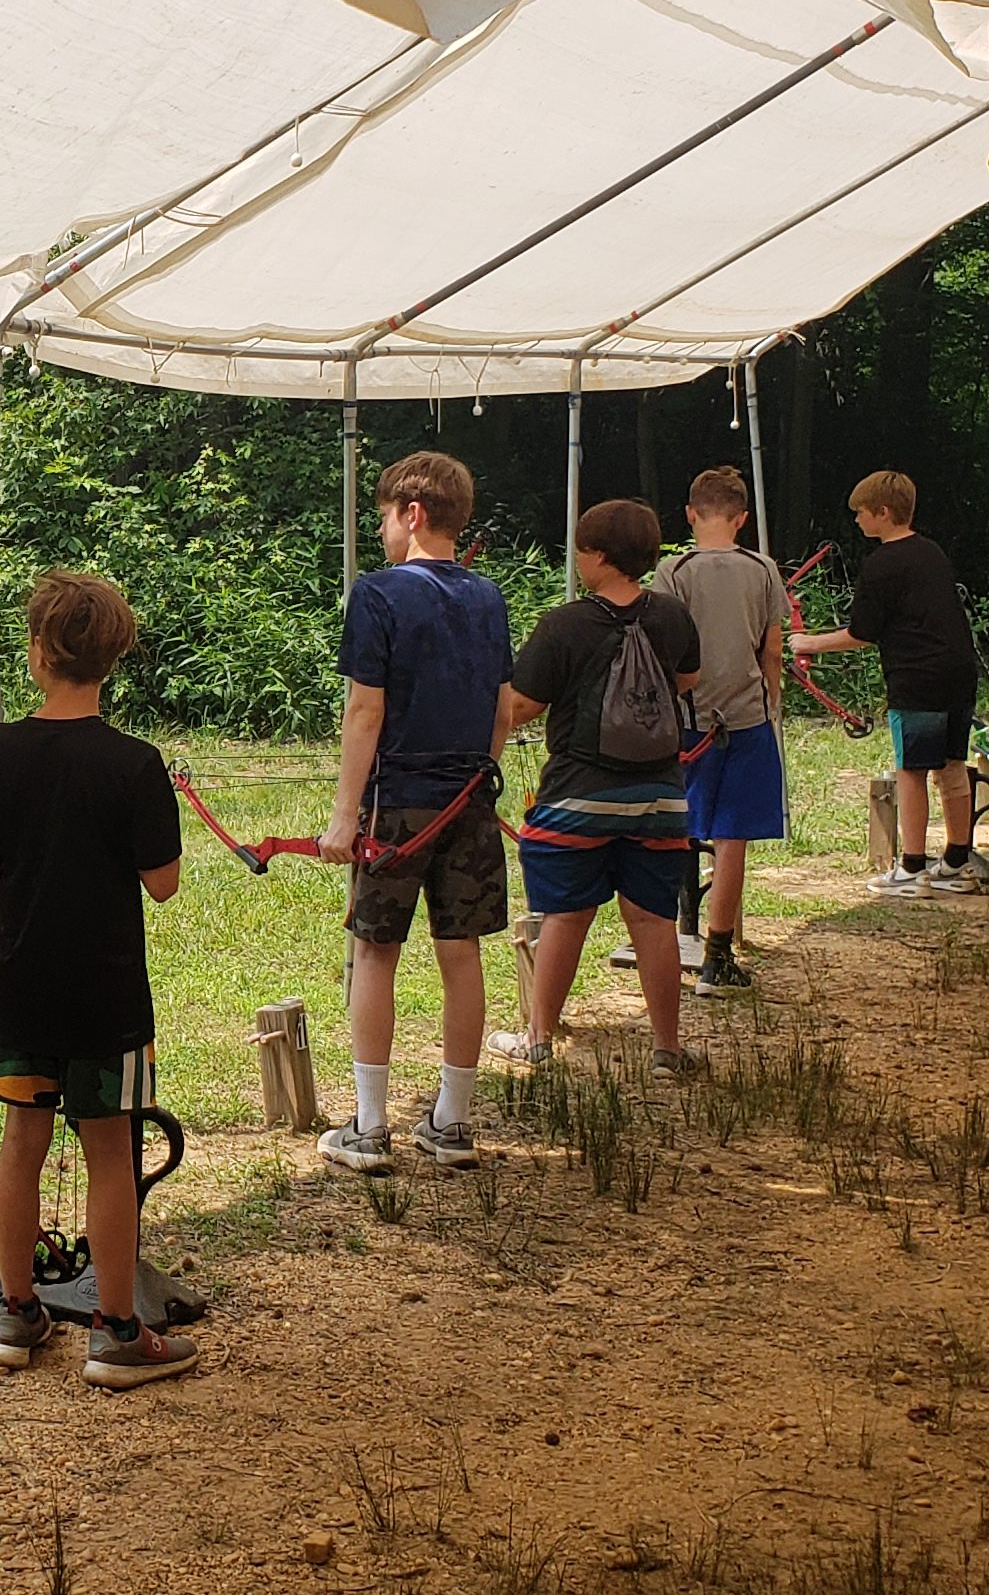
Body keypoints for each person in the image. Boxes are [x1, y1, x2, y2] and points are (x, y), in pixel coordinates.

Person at [0, 569, 198, 1389]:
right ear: (113, 659)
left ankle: (16, 1311)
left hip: (19, 987)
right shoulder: (136, 764)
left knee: (22, 1142)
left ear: (37, 654)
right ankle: (116, 1332)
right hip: (108, 997)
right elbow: (164, 883)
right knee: (110, 1152)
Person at [314, 451, 512, 1172]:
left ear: (414, 513)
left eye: (385, 518)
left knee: (376, 951)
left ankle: (369, 1126)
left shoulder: (377, 593)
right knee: (461, 952)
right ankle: (452, 1123)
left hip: (397, 805)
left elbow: (365, 710)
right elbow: (501, 709)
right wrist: (477, 775)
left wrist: (345, 815)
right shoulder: (489, 597)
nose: (382, 532)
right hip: (468, 802)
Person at [489, 498, 703, 1073]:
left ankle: (537, 1039)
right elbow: (687, 678)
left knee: (566, 917)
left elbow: (522, 705)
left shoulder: (564, 624)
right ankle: (667, 1048)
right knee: (653, 920)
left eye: (582, 551)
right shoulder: (672, 615)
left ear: (600, 558)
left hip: (577, 797)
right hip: (660, 797)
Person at [790, 470, 986, 896]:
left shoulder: (882, 564)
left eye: (861, 512)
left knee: (911, 770)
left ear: (882, 512)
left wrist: (807, 642)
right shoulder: (932, 552)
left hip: (916, 677)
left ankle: (912, 866)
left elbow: (862, 632)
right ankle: (957, 860)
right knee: (952, 766)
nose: (857, 519)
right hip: (958, 673)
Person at [655, 466, 788, 998]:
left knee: (674, 831)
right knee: (733, 840)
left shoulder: (673, 570)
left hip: (689, 722)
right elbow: (772, 649)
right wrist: (771, 703)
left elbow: (664, 649)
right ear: (742, 519)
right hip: (747, 719)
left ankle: (662, 940)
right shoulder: (763, 568)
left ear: (691, 513)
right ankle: (717, 954)